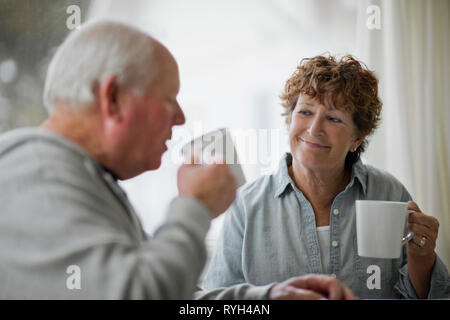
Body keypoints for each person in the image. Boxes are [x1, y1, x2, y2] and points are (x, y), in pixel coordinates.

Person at [0, 20, 356, 300]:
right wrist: (193, 207)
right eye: (168, 98)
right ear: (113, 99)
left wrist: (266, 298)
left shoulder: (80, 179)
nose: (181, 117)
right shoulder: (33, 173)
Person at [203, 54, 450, 299]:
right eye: (305, 112)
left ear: (357, 138)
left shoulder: (389, 192)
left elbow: (430, 296)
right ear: (289, 119)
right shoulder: (247, 205)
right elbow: (219, 299)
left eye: (333, 118)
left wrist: (422, 257)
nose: (314, 129)